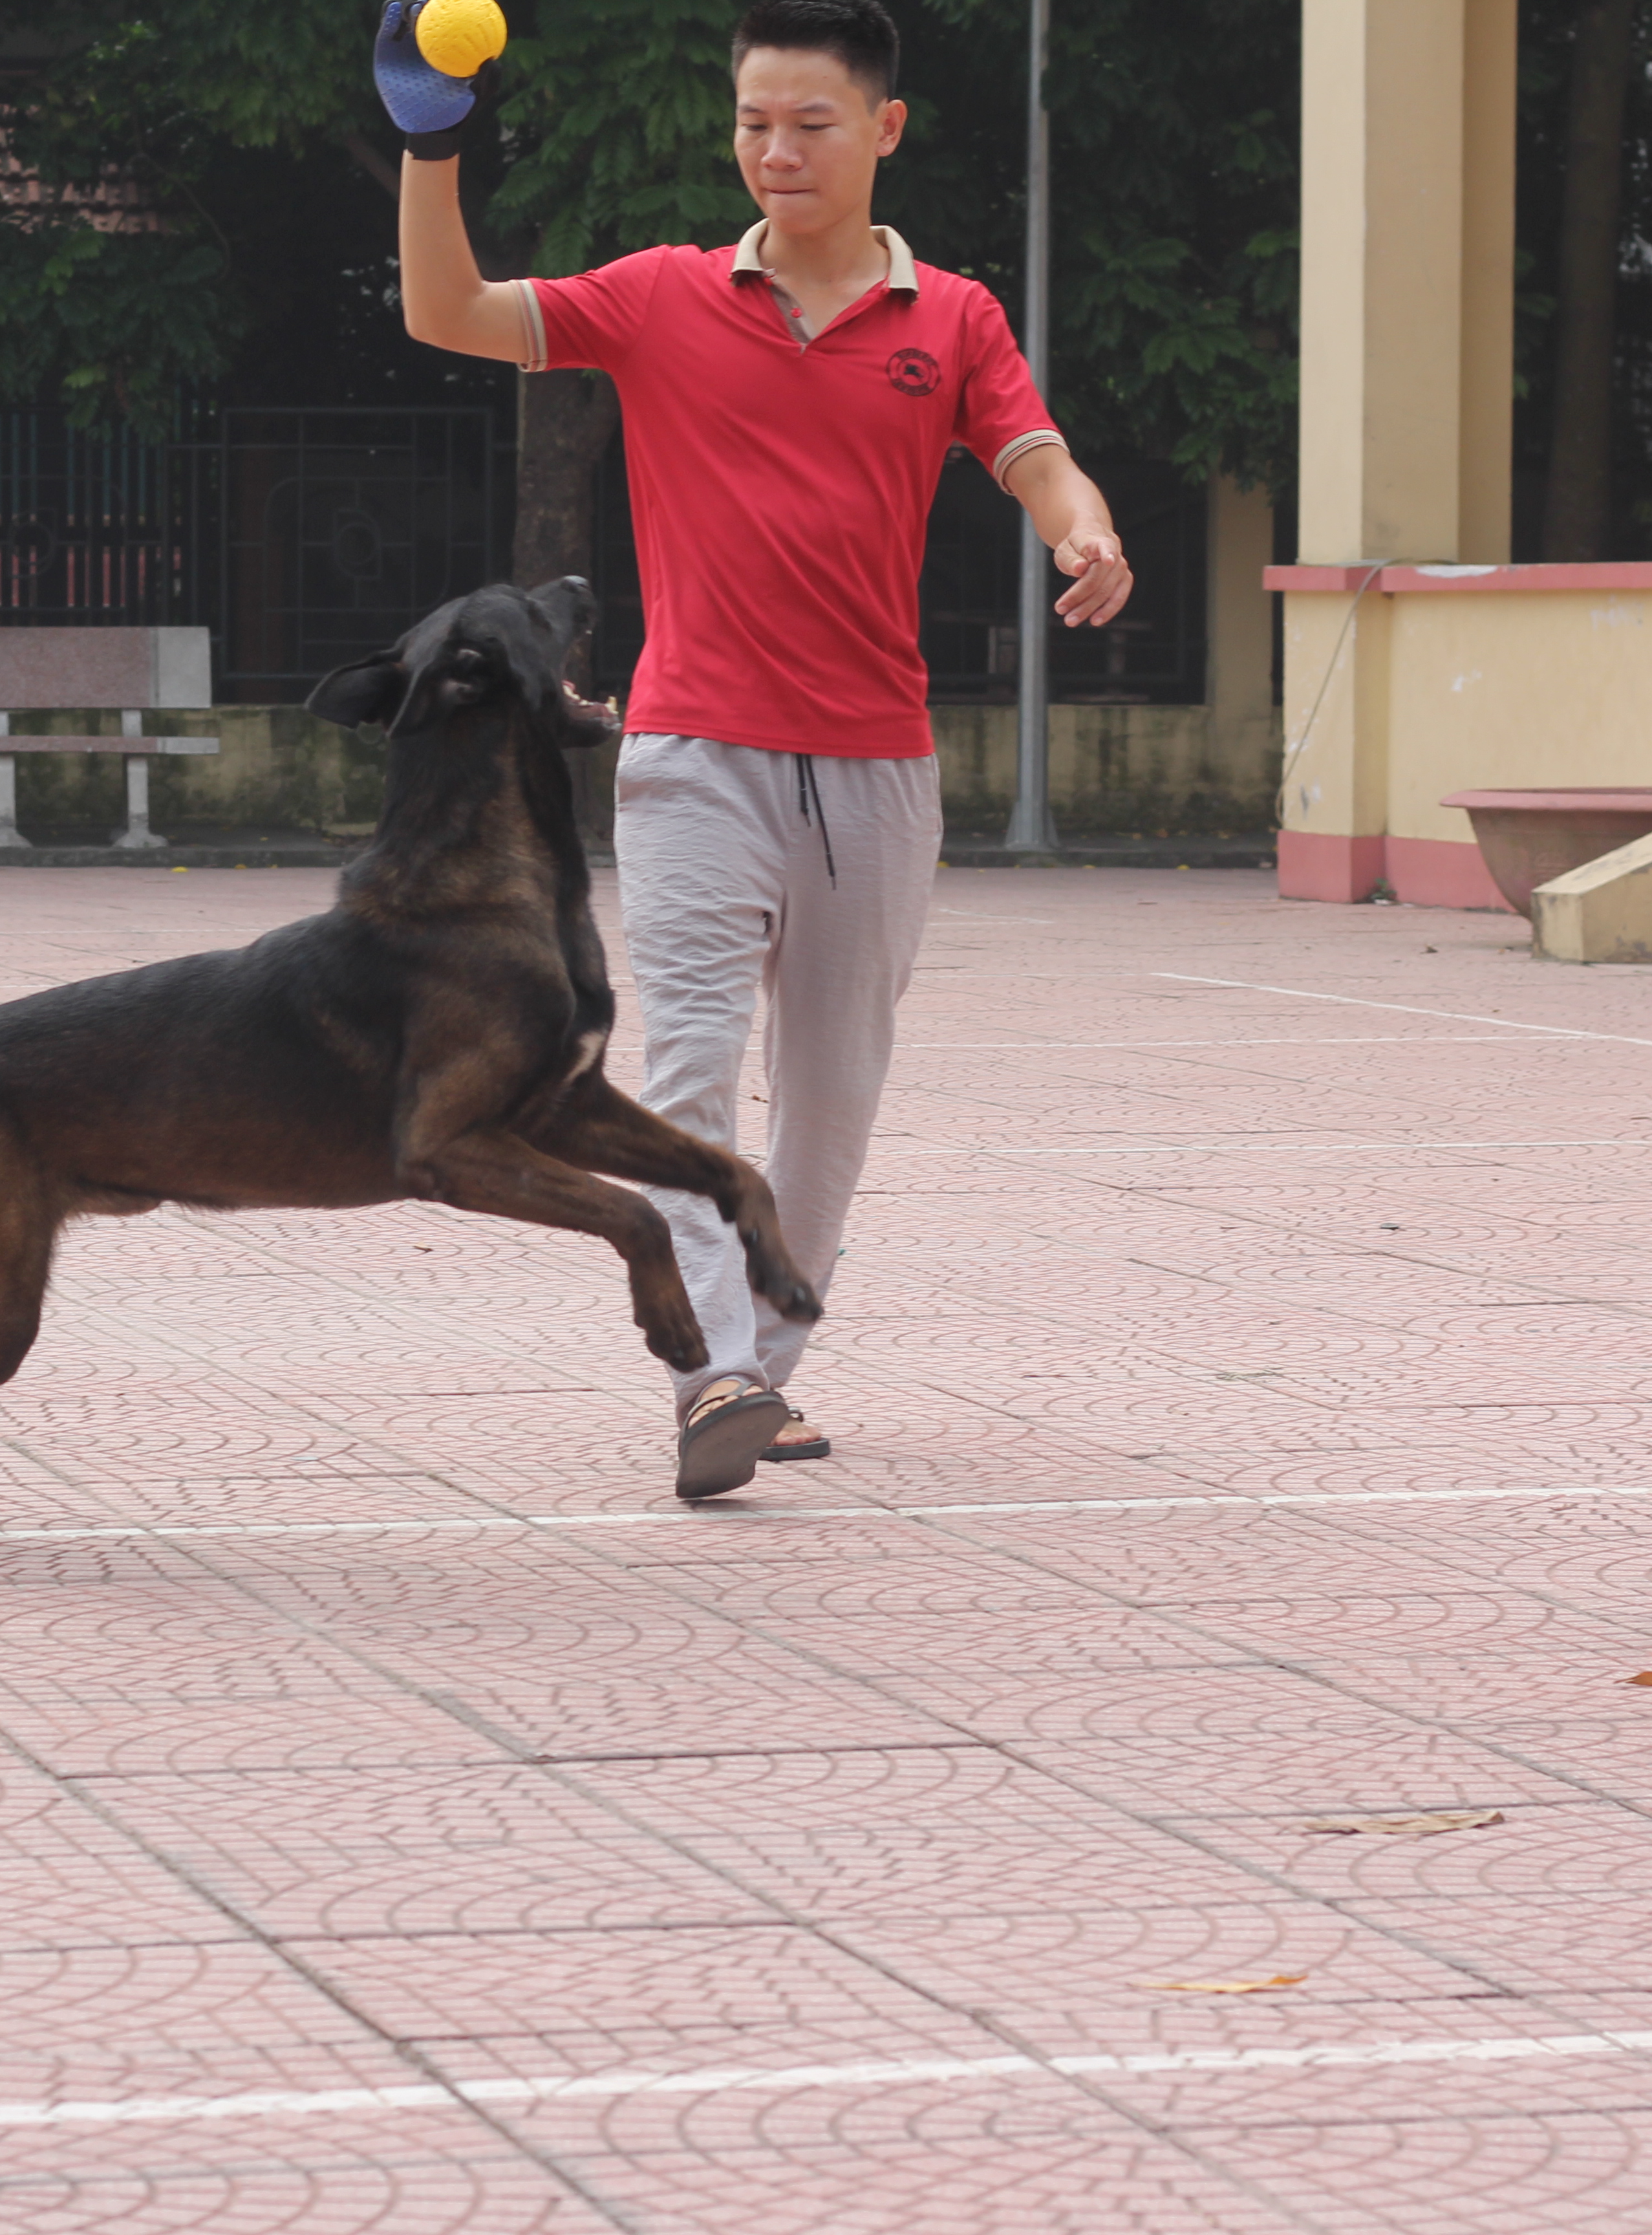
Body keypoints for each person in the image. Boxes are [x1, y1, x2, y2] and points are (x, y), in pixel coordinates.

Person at [384, 0, 1134, 1498]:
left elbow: (1028, 449)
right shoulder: (661, 295)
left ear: (882, 130)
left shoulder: (952, 317)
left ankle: (761, 1374)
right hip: (692, 754)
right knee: (692, 1060)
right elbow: (447, 311)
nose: (774, 151)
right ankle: (710, 1369)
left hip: (872, 762)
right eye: (751, 124)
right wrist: (428, 140)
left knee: (835, 1086)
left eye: (808, 123)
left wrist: (1080, 523)